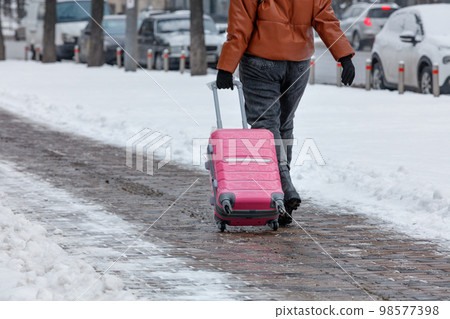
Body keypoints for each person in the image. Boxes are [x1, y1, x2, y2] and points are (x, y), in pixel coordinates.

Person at [216, 0, 355, 225]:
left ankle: (282, 185)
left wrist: (226, 66)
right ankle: (282, 198)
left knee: (266, 127)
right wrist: (344, 56)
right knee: (284, 124)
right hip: (298, 63)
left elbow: (239, 27)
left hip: (260, 61)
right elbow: (325, 19)